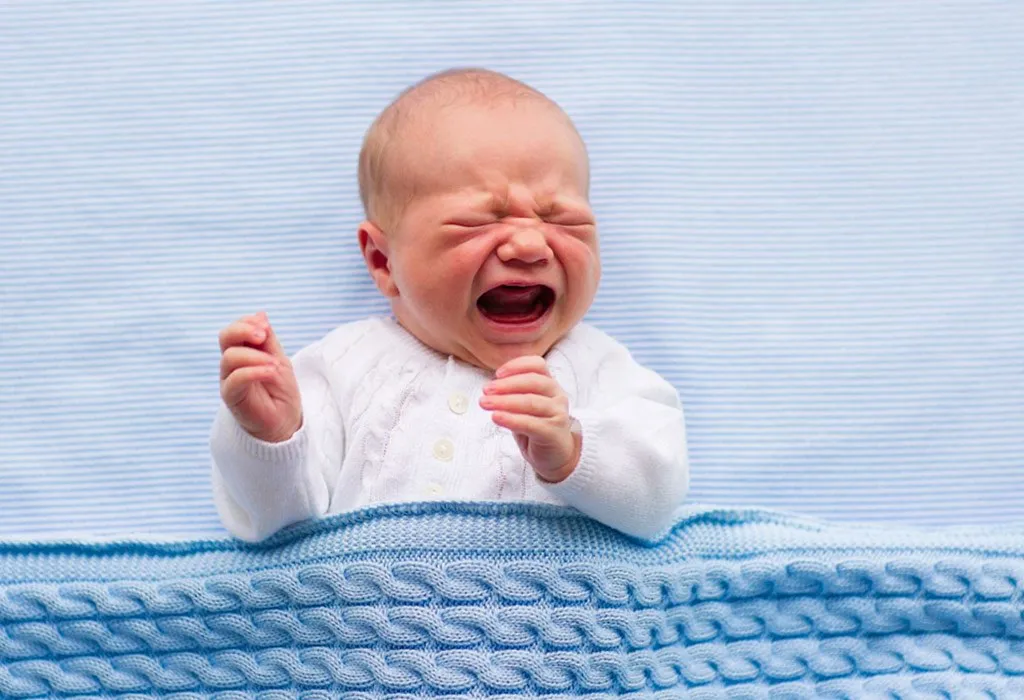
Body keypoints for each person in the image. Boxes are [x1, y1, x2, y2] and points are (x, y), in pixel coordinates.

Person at [210, 68, 689, 542]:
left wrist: (573, 451)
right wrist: (271, 439)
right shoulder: (341, 367)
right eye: (476, 222)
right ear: (383, 260)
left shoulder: (601, 369)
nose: (527, 245)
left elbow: (657, 503)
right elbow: (273, 524)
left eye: (563, 220)